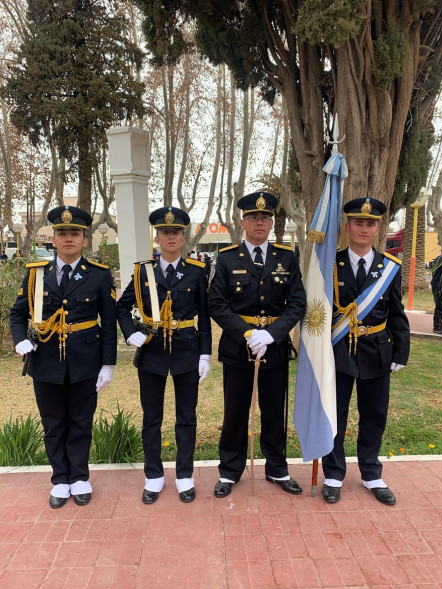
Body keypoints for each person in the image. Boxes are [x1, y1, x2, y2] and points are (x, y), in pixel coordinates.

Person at [10, 205, 117, 509]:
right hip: (45, 361)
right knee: (53, 423)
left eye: (75, 233)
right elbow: (17, 314)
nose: (69, 238)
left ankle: (80, 477)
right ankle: (60, 479)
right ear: (53, 239)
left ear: (85, 239)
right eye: (62, 233)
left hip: (86, 360)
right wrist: (20, 341)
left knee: (81, 422)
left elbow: (109, 324)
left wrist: (108, 364)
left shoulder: (98, 275)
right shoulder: (36, 275)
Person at [208, 191, 306, 498]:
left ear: (271, 222)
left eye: (265, 217)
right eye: (253, 217)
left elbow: (297, 303)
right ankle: (229, 471)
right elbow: (217, 304)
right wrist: (249, 334)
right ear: (243, 222)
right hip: (239, 347)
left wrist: (272, 334)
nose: (259, 222)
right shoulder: (225, 259)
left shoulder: (287, 258)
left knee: (274, 411)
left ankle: (277, 469)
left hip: (274, 347)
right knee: (235, 411)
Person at [117, 207, 211, 504]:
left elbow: (205, 318)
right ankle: (154, 476)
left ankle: (184, 475)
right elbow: (121, 307)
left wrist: (205, 354)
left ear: (184, 238)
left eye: (176, 232)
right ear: (156, 237)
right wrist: (130, 333)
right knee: (152, 418)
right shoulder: (142, 271)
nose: (170, 237)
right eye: (165, 232)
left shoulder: (196, 272)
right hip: (153, 352)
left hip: (186, 349)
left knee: (187, 418)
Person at [322, 197, 410, 506]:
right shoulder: (330, 263)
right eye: (358, 223)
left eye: (370, 224)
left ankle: (371, 473)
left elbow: (397, 313)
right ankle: (333, 474)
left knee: (374, 414)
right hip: (340, 352)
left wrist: (401, 351)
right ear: (347, 227)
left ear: (378, 229)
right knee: (337, 415)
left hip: (377, 350)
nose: (364, 228)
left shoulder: (389, 267)